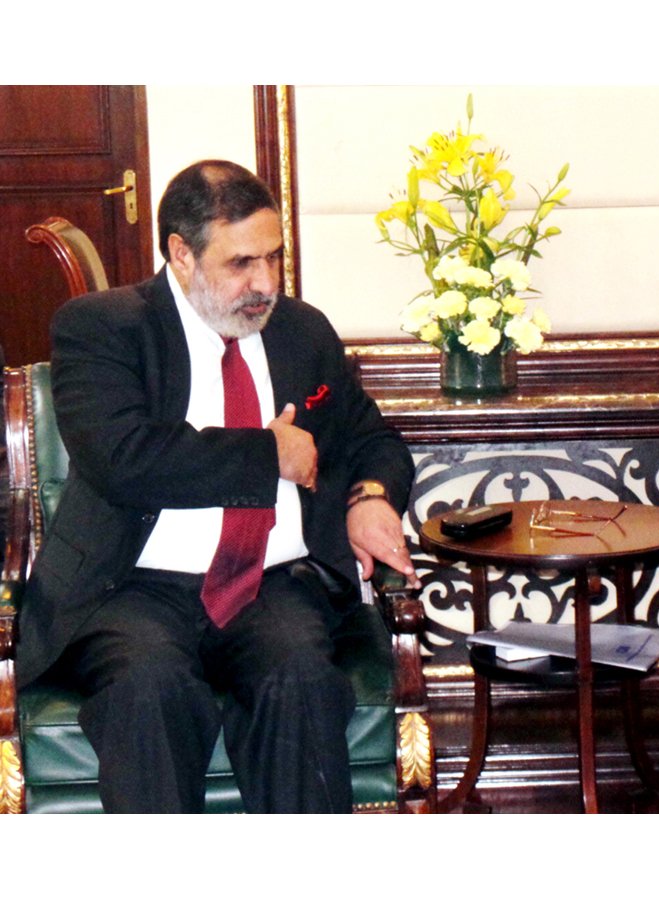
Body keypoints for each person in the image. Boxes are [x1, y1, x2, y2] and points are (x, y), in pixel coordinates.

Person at [15, 160, 418, 813]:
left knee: (301, 681)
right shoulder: (103, 327)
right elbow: (123, 457)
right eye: (241, 264)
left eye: (275, 258)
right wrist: (269, 454)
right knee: (147, 690)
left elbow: (370, 437)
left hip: (272, 584)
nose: (265, 283)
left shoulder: (300, 330)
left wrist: (370, 497)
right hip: (133, 589)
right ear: (181, 254)